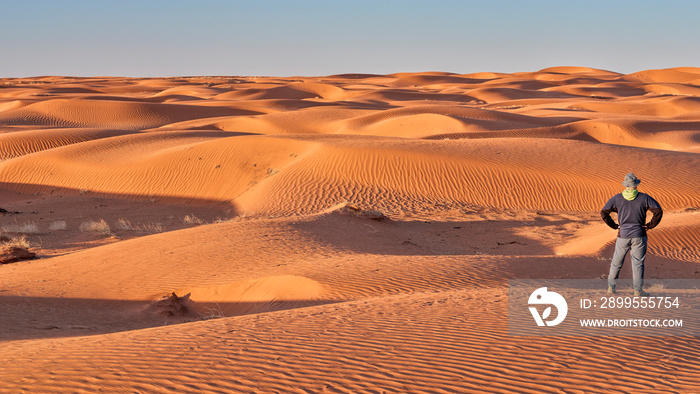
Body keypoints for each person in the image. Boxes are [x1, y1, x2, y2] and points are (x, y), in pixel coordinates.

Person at [601, 173, 663, 297]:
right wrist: (650, 225)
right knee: (638, 263)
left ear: (625, 184)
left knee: (616, 262)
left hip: (623, 235)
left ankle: (611, 288)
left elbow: (604, 212)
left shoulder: (617, 198)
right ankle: (638, 291)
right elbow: (658, 211)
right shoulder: (644, 198)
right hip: (639, 235)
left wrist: (614, 226)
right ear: (636, 185)